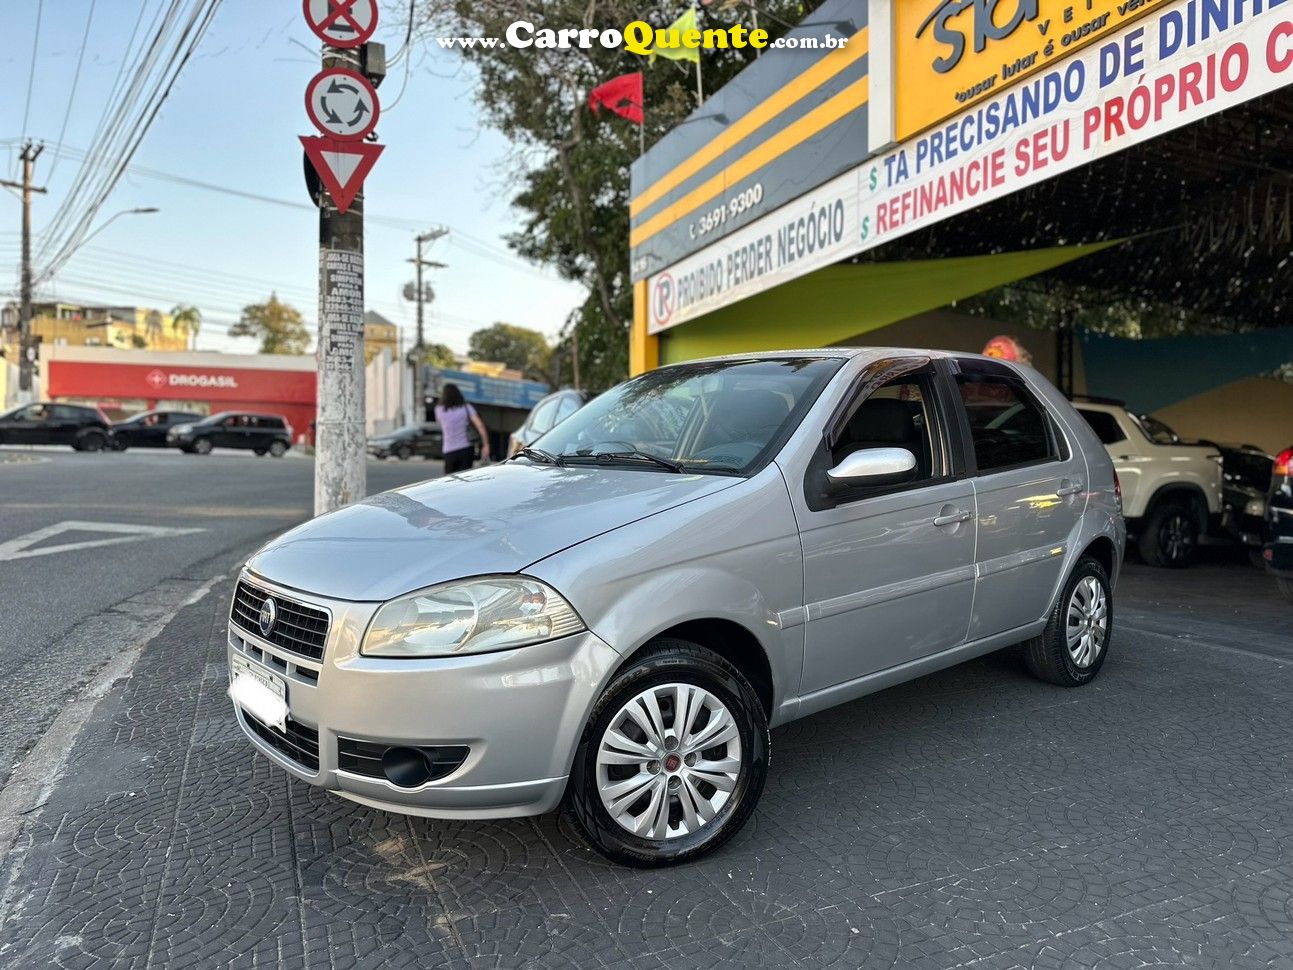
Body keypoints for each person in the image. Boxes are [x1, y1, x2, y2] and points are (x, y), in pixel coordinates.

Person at [434, 383, 490, 474]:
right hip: (466, 449)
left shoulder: (438, 410)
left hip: (449, 450)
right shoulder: (467, 408)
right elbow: (480, 426)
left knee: (449, 481)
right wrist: (486, 444)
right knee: (464, 481)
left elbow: (440, 423)